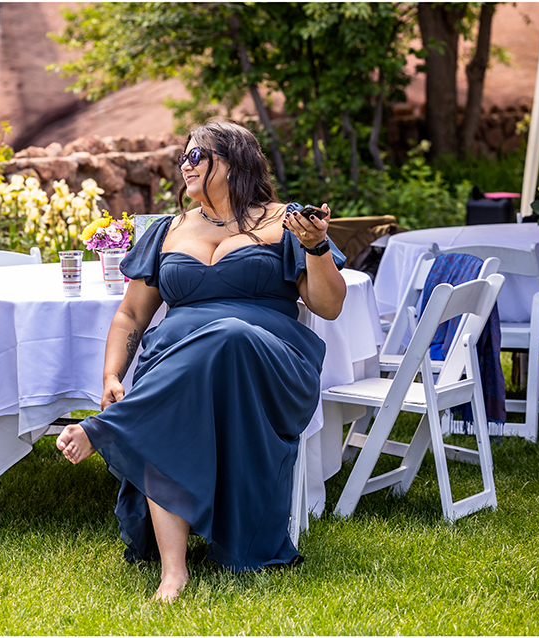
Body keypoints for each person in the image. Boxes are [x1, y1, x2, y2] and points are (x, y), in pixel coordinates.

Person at [56, 121, 346, 602]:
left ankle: (107, 427)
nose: (185, 165)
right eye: (183, 158)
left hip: (263, 364)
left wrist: (315, 247)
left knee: (228, 334)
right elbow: (130, 314)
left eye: (198, 156)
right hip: (176, 368)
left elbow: (329, 305)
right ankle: (174, 571)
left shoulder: (285, 221)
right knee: (173, 390)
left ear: (234, 161)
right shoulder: (167, 229)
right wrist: (111, 374)